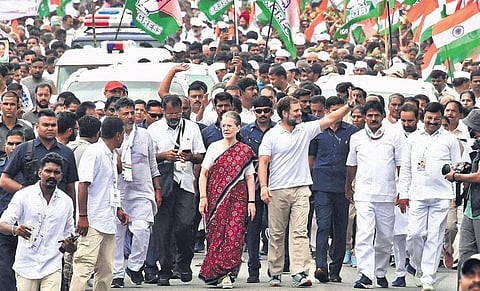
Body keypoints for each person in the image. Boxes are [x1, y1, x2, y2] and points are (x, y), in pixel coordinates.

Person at [258, 94, 355, 288]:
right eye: (295, 111)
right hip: (277, 190)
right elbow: (263, 162)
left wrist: (349, 106)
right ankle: (275, 272)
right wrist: (264, 187)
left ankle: (299, 272)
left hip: (302, 188)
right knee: (277, 233)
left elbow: (330, 119)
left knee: (300, 232)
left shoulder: (305, 130)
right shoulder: (272, 135)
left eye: (299, 110)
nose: (300, 113)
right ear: (284, 113)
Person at [398, 102, 461, 291]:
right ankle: (416, 266)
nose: (432, 122)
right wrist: (403, 193)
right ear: (423, 116)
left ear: (442, 119)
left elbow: (456, 168)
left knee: (435, 236)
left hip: (441, 195)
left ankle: (428, 277)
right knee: (415, 235)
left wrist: (455, 194)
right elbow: (406, 168)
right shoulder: (413, 139)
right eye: (429, 118)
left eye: (436, 119)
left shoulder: (449, 140)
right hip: (417, 194)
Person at [147, 95, 206, 286]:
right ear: (164, 112)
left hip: (185, 183)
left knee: (185, 225)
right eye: (170, 113)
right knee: (163, 230)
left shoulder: (192, 127)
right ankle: (164, 271)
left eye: (177, 113)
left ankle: (184, 263)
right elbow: (148, 158)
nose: (174, 116)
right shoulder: (154, 129)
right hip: (163, 182)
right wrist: (164, 156)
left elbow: (201, 156)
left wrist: (190, 157)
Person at [346, 100, 403, 289]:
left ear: (382, 115)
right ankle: (365, 274)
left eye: (376, 115)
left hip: (387, 194)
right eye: (369, 115)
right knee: (364, 234)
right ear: (364, 117)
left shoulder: (394, 136)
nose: (372, 119)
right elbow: (351, 165)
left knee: (385, 237)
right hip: (363, 194)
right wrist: (348, 187)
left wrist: (402, 190)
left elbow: (401, 166)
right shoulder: (357, 138)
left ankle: (380, 272)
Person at [69, 117, 130, 291]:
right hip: (92, 221)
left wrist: (118, 209)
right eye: (123, 134)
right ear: (118, 135)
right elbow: (83, 184)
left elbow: (110, 186)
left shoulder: (111, 154)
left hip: (108, 220)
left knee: (106, 270)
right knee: (83, 267)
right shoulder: (94, 152)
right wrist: (82, 216)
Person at [0, 152, 76, 291]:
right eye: (48, 171)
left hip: (52, 265)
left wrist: (70, 245)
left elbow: (70, 234)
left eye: (56, 172)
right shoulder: (24, 195)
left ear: (61, 176)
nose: (52, 175)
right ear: (40, 173)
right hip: (26, 265)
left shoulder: (66, 202)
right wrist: (16, 230)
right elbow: (2, 224)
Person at [198, 111, 256, 288]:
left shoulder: (244, 150)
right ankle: (216, 273)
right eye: (223, 126)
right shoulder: (214, 147)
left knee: (234, 236)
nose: (226, 129)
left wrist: (251, 202)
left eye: (229, 125)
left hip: (238, 199)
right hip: (215, 199)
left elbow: (250, 177)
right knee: (216, 236)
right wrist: (203, 197)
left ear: (238, 128)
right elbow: (204, 174)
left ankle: (228, 274)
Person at [111, 98, 162, 287]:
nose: (131, 116)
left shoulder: (145, 135)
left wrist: (157, 188)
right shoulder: (111, 135)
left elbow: (152, 164)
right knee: (117, 235)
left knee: (142, 229)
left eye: (132, 112)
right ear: (117, 114)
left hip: (142, 190)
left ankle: (134, 266)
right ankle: (116, 274)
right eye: (126, 113)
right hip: (119, 191)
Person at [309, 96, 358, 283]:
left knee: (340, 228)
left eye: (342, 110)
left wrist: (351, 186)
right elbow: (311, 160)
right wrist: (311, 185)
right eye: (334, 110)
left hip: (343, 187)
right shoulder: (318, 131)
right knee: (323, 225)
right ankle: (321, 265)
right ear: (328, 111)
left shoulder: (352, 132)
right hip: (322, 186)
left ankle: (335, 269)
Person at [241, 97, 276, 284]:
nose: (263, 114)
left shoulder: (279, 130)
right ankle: (253, 269)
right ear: (253, 111)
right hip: (252, 186)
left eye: (266, 110)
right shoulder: (246, 132)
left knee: (274, 228)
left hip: (276, 183)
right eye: (259, 111)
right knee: (253, 228)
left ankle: (275, 269)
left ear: (272, 110)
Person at [445, 109, 480, 284]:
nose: (470, 131)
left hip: (479, 208)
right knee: (466, 252)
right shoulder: (475, 146)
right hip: (471, 207)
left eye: (473, 127)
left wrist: (456, 176)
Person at [0, 130, 24, 290]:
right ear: (5, 145)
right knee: (5, 268)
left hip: (25, 226)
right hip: (3, 225)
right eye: (10, 144)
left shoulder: (30, 168)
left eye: (18, 144)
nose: (13, 147)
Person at [0, 91, 35, 157]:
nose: (8, 107)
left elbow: (32, 152)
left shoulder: (27, 129)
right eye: (5, 104)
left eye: (12, 104)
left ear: (18, 106)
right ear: (1, 106)